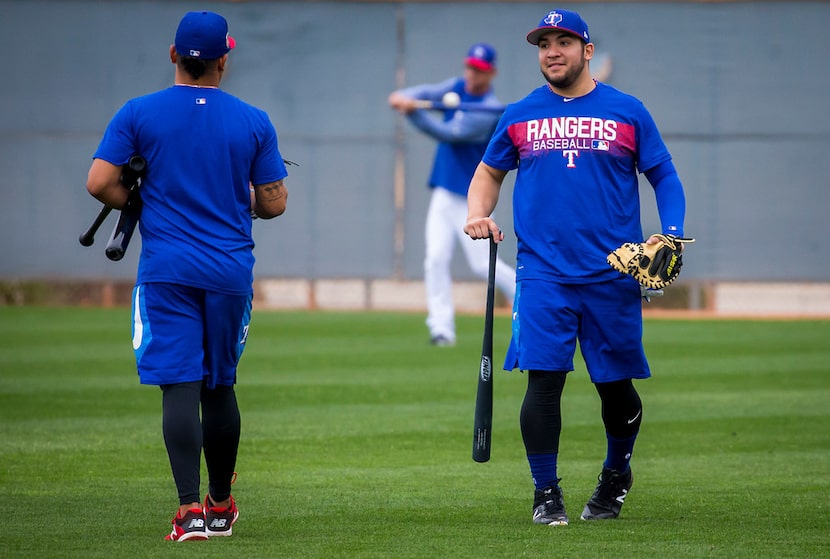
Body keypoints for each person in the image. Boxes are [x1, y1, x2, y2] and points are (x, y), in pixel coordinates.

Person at [464, 9, 688, 525]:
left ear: (587, 51)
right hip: (543, 273)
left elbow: (664, 176)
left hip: (614, 272)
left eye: (564, 41)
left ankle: (616, 474)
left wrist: (671, 233)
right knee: (543, 382)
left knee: (614, 387)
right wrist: (478, 214)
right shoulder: (519, 114)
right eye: (544, 43)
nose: (552, 51)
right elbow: (487, 172)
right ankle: (547, 494)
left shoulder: (627, 111)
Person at [86, 11, 289, 541]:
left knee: (178, 385)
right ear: (225, 58)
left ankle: (187, 512)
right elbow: (274, 203)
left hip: (166, 271)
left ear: (174, 55)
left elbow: (99, 182)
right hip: (227, 271)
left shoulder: (138, 113)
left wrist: (140, 200)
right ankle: (220, 506)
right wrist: (235, 196)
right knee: (219, 387)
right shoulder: (253, 120)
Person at [388, 43, 516, 347]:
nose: (473, 74)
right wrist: (409, 97)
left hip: (474, 199)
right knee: (435, 258)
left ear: (492, 73)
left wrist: (412, 114)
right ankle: (441, 328)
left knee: (482, 266)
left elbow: (450, 134)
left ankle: (525, 296)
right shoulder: (457, 87)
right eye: (470, 67)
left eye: (481, 70)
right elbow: (429, 92)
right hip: (444, 193)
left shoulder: (488, 109)